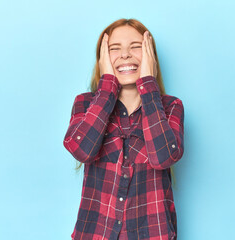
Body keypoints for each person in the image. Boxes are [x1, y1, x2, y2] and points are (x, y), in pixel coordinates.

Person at [63, 18, 184, 240]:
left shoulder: (171, 107)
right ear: (102, 59)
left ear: (151, 57)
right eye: (114, 49)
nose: (125, 55)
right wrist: (108, 85)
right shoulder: (85, 104)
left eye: (136, 47)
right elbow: (82, 150)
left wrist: (148, 83)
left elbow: (163, 157)